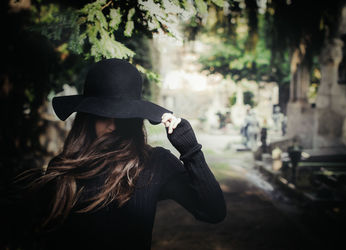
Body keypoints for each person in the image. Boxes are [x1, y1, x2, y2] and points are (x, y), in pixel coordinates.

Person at [18, 59, 226, 250]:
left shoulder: (155, 164)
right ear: (87, 117)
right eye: (103, 115)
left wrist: (191, 151)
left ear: (134, 119)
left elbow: (213, 211)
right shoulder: (64, 166)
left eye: (122, 117)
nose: (112, 126)